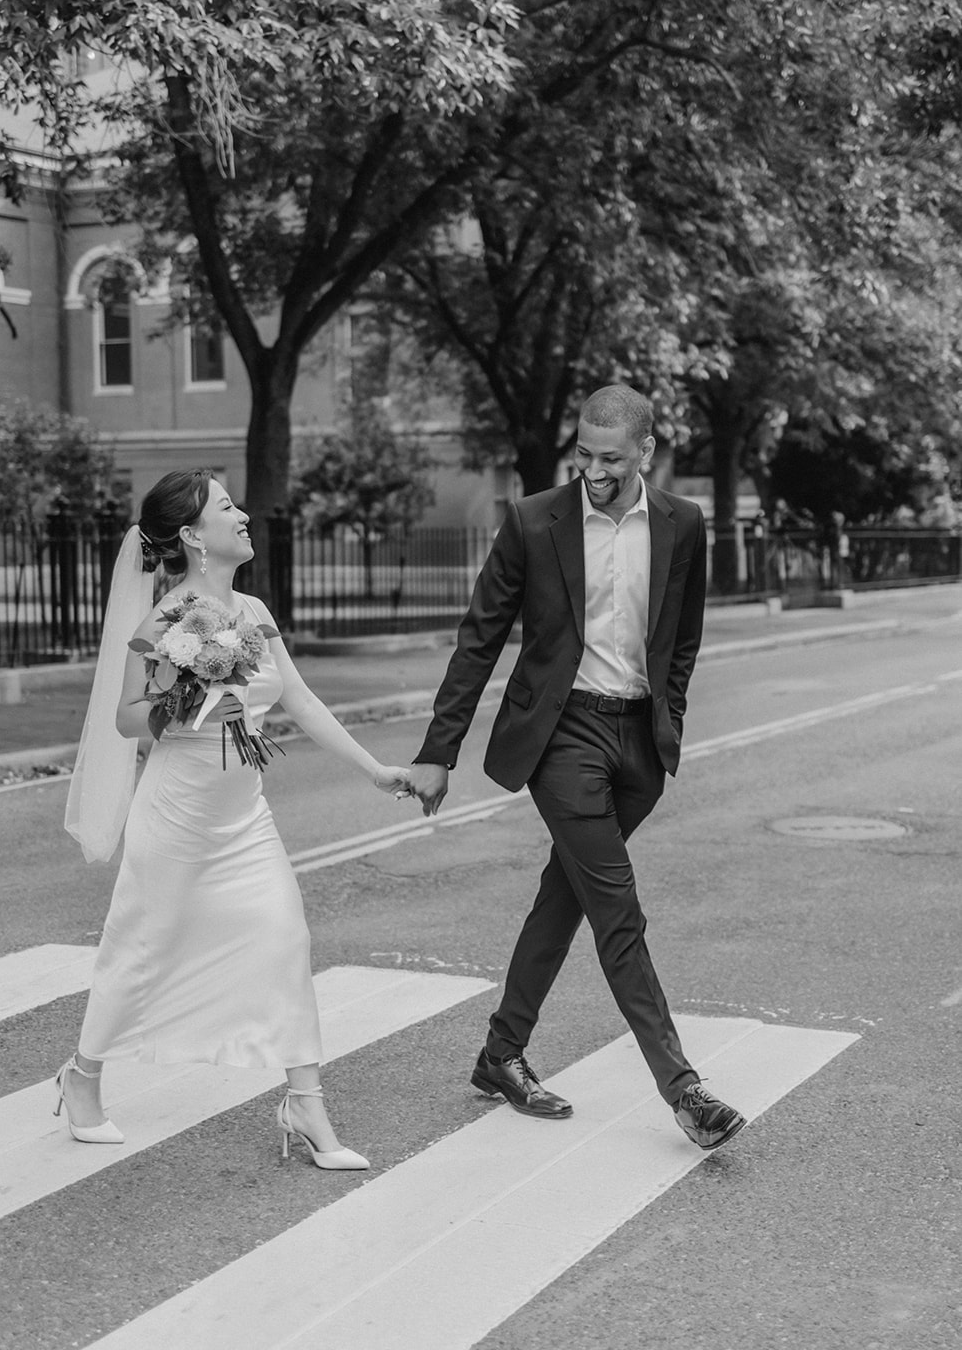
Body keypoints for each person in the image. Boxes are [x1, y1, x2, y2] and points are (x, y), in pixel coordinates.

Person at [406, 385, 745, 1150]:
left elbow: (681, 638)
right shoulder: (533, 520)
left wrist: (671, 718)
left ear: (646, 453)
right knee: (616, 909)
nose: (594, 470)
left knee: (566, 895)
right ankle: (683, 1089)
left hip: (637, 745)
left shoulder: (681, 524)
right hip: (561, 737)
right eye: (583, 454)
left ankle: (500, 1053)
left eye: (611, 458)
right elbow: (479, 637)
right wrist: (438, 752)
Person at [60, 469, 412, 1170]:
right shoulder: (163, 620)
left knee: (284, 934)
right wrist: (188, 706)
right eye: (228, 507)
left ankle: (305, 1103)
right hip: (178, 811)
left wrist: (375, 770)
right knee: (141, 945)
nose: (244, 514)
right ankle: (82, 1077)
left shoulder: (251, 608)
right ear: (193, 536)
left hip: (243, 812)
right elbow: (127, 718)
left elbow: (301, 701)